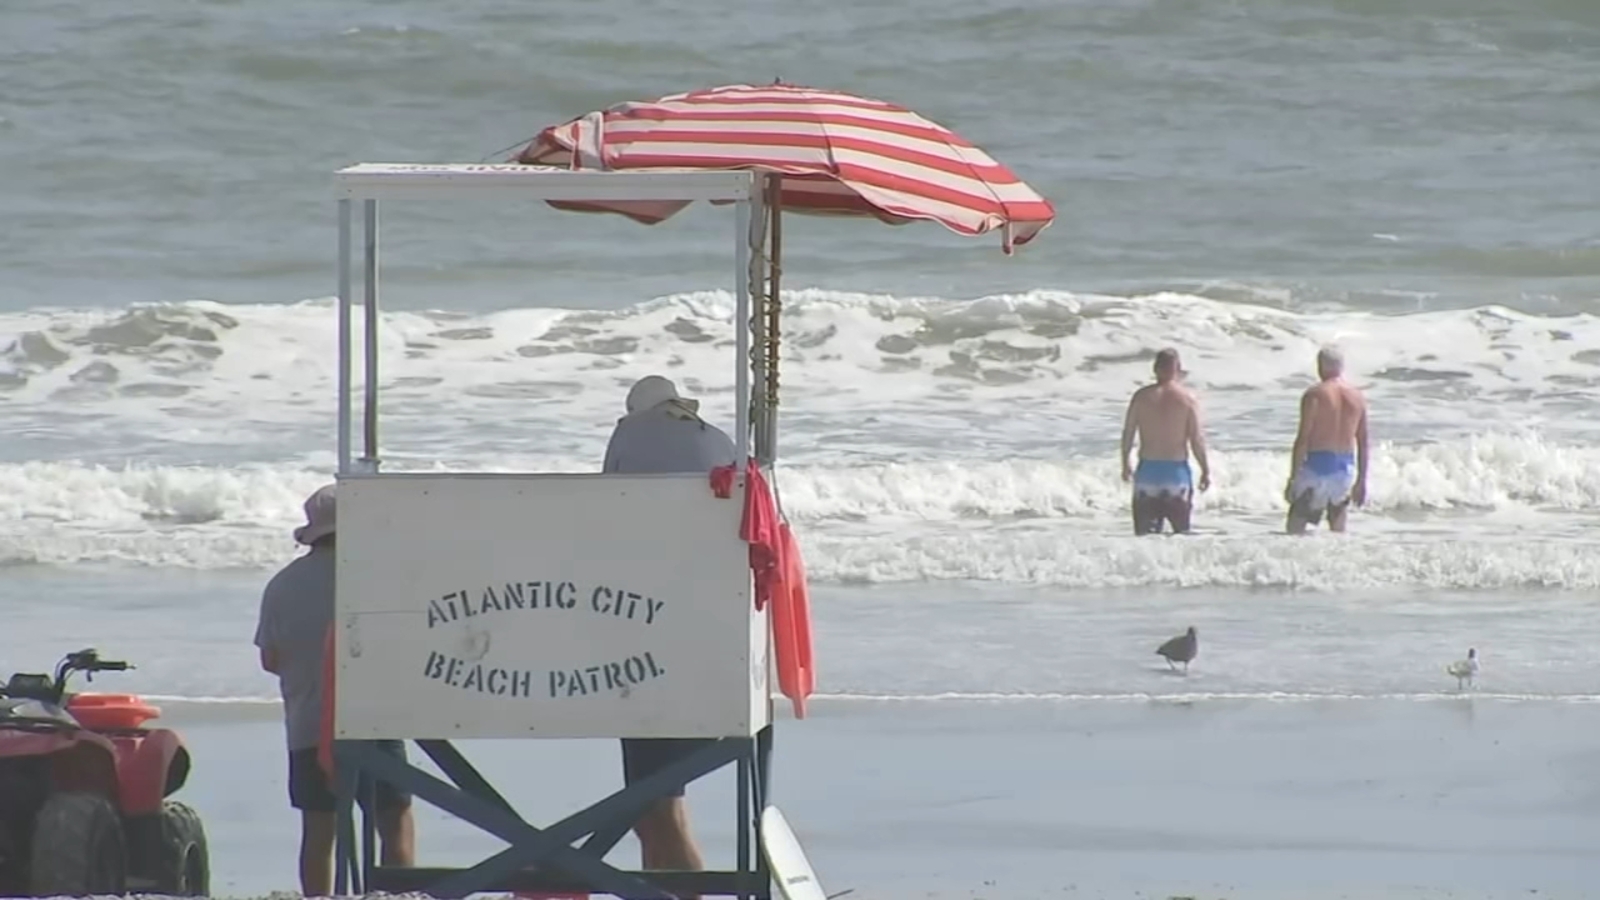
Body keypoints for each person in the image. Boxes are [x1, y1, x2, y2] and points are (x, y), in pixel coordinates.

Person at [601, 375, 737, 891]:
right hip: (716, 635)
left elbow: (604, 514)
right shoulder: (718, 438)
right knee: (665, 803)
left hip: (641, 634)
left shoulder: (630, 437)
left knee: (656, 807)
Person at [254, 484, 416, 896]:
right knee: (393, 817)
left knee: (319, 828)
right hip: (375, 717)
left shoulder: (281, 585)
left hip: (309, 721)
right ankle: (398, 896)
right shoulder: (374, 579)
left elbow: (270, 660)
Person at [1119, 348, 1212, 535]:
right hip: (1176, 476)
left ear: (1155, 368)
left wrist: (1125, 464)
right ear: (1177, 368)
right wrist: (1205, 470)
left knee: (1145, 539)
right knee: (1181, 536)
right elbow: (1196, 439)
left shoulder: (1141, 397)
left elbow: (1128, 433)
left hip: (1147, 475)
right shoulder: (1187, 399)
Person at [1285, 346, 1369, 534]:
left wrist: (1293, 477)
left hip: (1316, 465)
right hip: (1344, 470)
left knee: (1294, 528)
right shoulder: (1358, 397)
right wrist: (1362, 480)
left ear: (1320, 367)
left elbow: (1303, 438)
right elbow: (1363, 442)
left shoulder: (1315, 394)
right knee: (1338, 530)